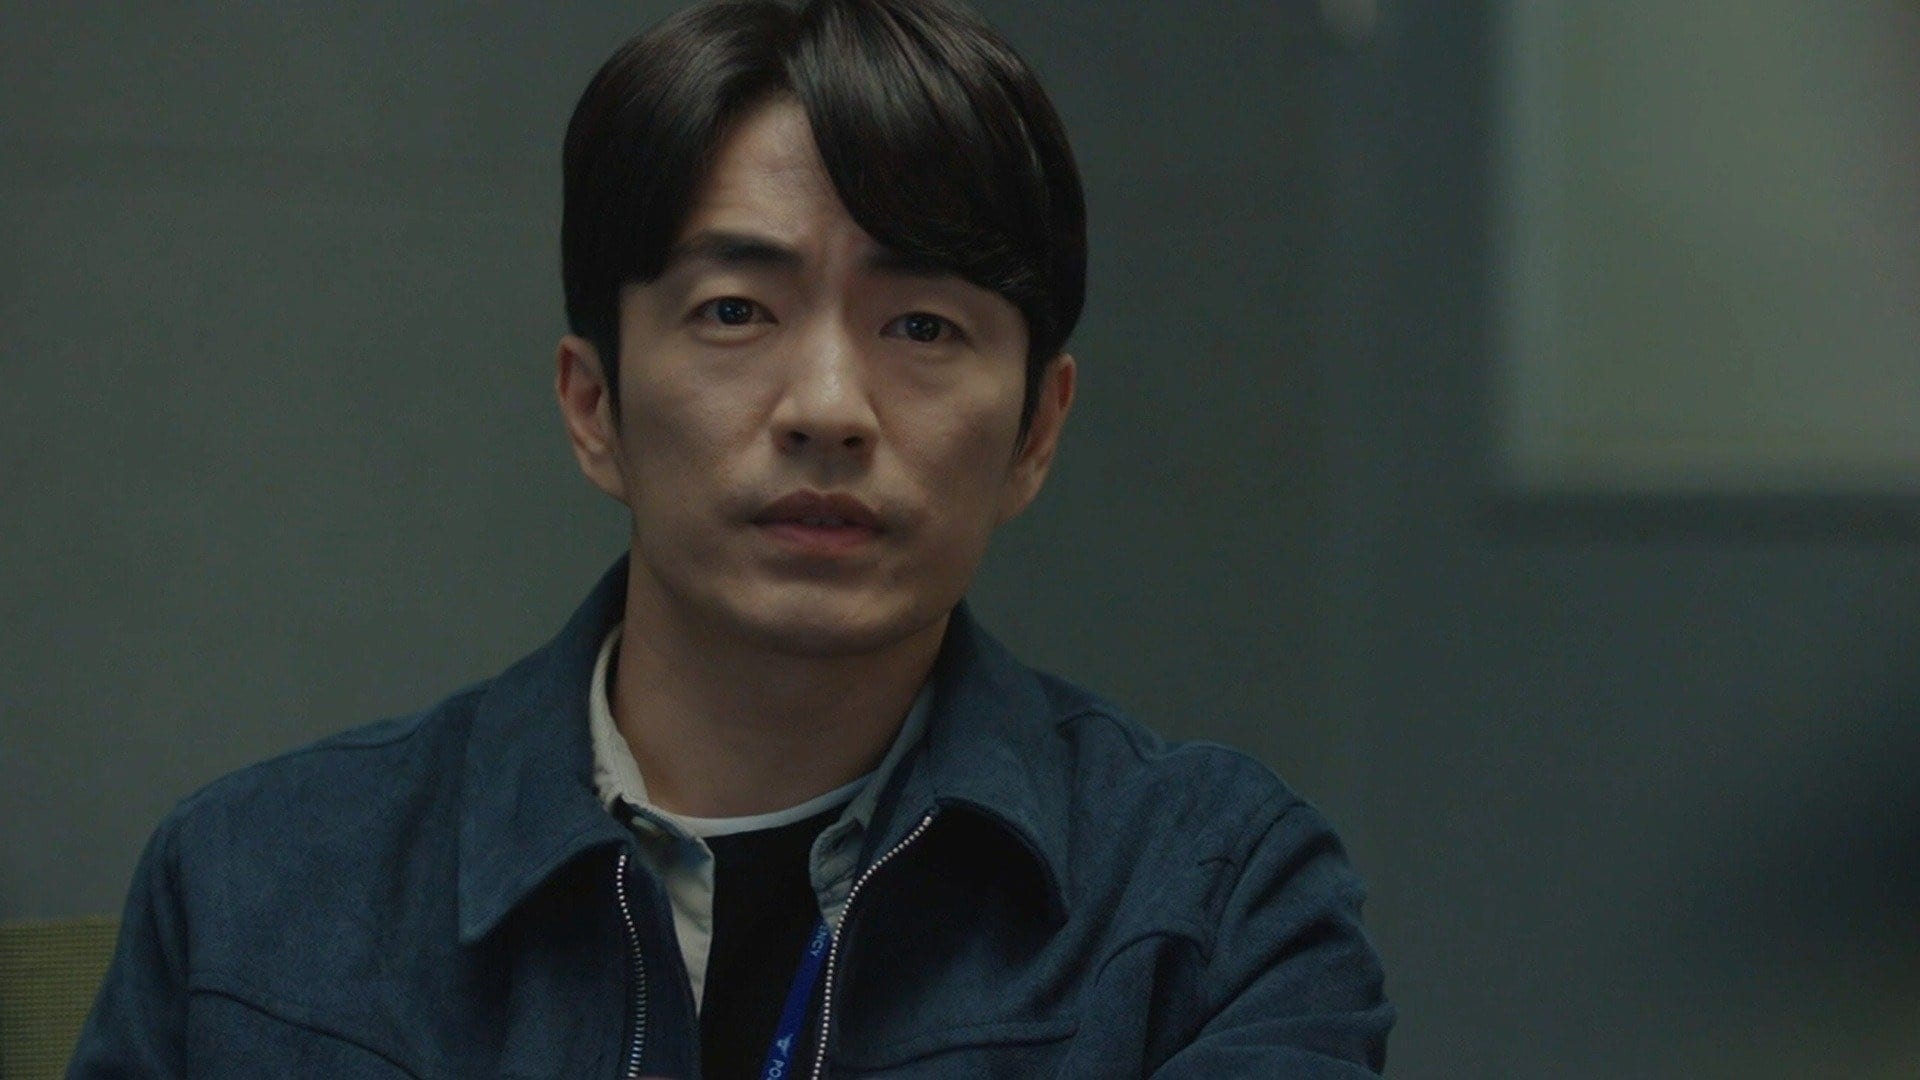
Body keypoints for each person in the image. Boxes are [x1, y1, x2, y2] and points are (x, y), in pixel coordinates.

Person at [70, 0, 1393, 1076]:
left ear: (1037, 430)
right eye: (735, 312)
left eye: (923, 326)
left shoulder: (1210, 907)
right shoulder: (256, 896)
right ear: (594, 405)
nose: (828, 407)